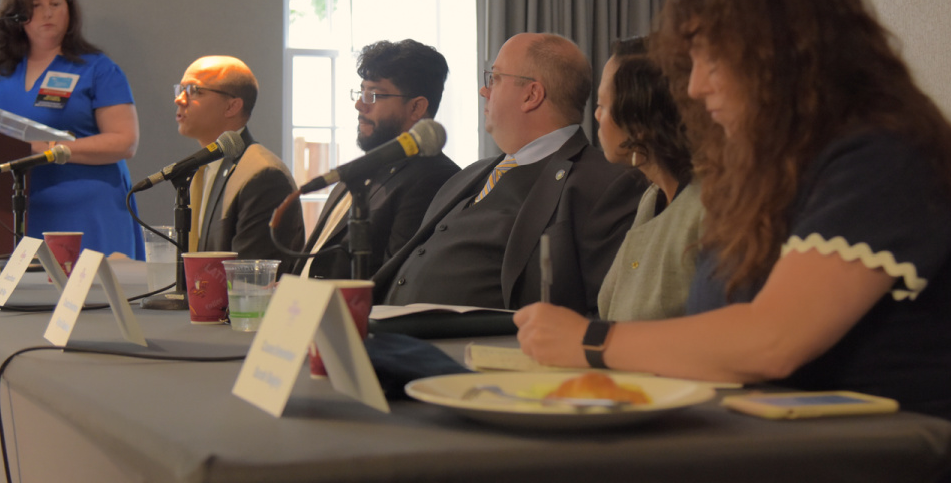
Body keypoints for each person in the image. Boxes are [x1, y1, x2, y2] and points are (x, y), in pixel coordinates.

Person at [514, 0, 951, 483]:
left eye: (712, 60)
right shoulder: (763, 180)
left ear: (784, 52)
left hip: (903, 477)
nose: (694, 86)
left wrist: (592, 340)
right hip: (780, 464)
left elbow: (772, 341)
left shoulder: (885, 160)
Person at [376, 32, 646, 313]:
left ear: (531, 95)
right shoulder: (468, 175)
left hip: (477, 351)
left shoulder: (604, 183)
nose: (484, 90)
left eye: (495, 78)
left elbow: (604, 311)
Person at [0, 0, 143, 259]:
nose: (47, 13)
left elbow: (124, 141)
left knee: (89, 301)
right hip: (10, 209)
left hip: (84, 210)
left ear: (70, 10)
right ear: (16, 15)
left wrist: (46, 149)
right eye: (35, 6)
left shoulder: (97, 69)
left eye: (55, 4)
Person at [294, 39, 460, 280]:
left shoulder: (433, 178)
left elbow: (393, 281)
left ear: (416, 107)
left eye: (373, 95)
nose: (360, 104)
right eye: (361, 91)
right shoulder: (359, 171)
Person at [594, 37, 702, 321]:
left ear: (638, 119)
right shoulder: (651, 199)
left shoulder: (706, 206)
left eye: (602, 106)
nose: (595, 116)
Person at [173, 55, 305, 266]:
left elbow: (252, 282)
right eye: (180, 90)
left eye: (193, 90)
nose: (179, 99)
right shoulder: (204, 168)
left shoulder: (263, 175)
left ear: (232, 106)